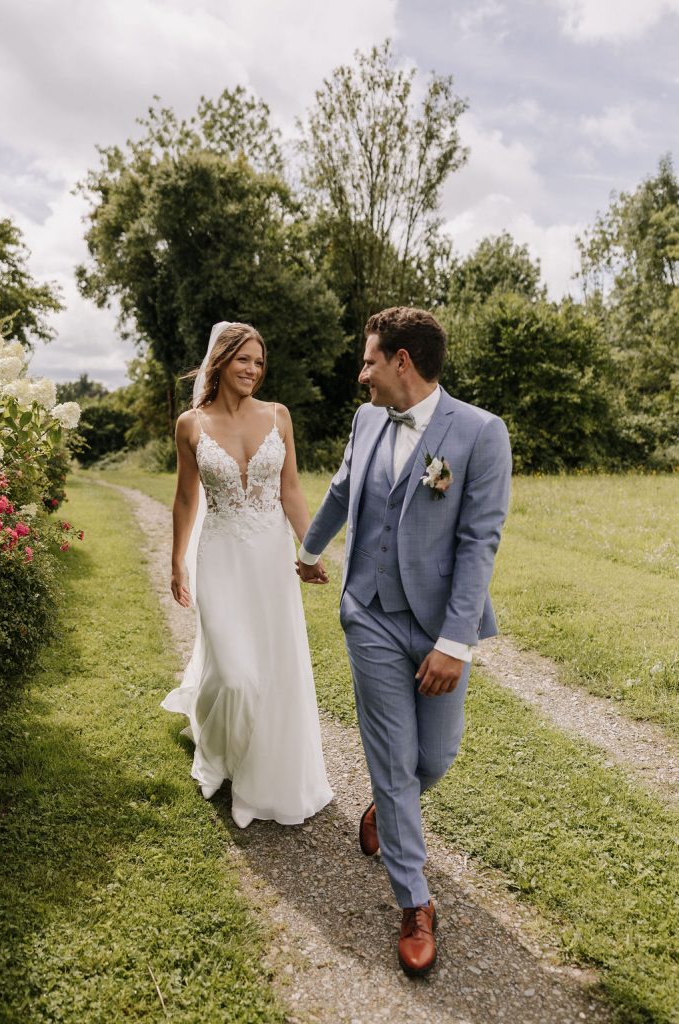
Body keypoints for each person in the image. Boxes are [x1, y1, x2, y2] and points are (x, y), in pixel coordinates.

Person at [297, 306, 511, 976]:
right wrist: (308, 549)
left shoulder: (479, 433)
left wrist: (454, 641)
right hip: (368, 614)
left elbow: (480, 541)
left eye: (367, 361)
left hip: (438, 624)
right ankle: (415, 901)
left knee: (435, 757)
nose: (360, 375)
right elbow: (339, 491)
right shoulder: (365, 421)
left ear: (401, 362)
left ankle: (387, 811)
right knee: (393, 757)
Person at [162, 320, 333, 828]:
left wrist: (310, 547)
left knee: (272, 670)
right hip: (219, 559)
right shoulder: (191, 425)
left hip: (269, 562)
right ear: (221, 361)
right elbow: (186, 497)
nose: (253, 371)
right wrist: (175, 559)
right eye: (244, 360)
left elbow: (293, 492)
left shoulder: (278, 416)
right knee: (236, 675)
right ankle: (219, 746)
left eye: (259, 363)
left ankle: (263, 768)